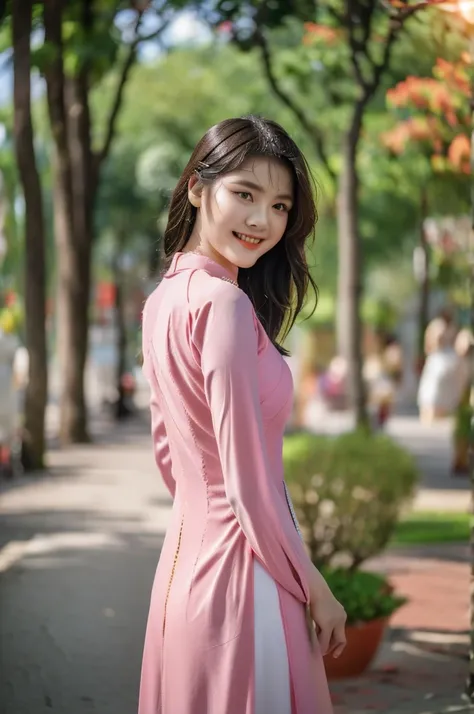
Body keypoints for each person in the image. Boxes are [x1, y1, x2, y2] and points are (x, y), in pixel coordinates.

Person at [139, 115, 346, 714]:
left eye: (280, 206)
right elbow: (248, 486)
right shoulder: (224, 305)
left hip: (180, 574)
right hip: (243, 582)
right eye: (245, 195)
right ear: (198, 190)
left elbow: (168, 458)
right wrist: (315, 586)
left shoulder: (161, 303)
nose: (262, 221)